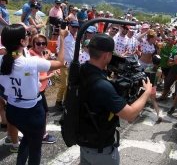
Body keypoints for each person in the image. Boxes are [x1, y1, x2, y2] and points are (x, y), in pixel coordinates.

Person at [79, 33, 152, 165]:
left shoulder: (81, 70)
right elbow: (130, 115)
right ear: (107, 55)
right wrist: (147, 92)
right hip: (101, 150)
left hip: (84, 141)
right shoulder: (102, 86)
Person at [0, 24, 67, 165]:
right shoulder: (32, 62)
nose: (29, 37)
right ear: (22, 42)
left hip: (12, 109)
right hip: (32, 112)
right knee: (35, 149)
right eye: (27, 36)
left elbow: (13, 54)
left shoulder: (3, 61)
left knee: (27, 138)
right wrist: (61, 37)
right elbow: (61, 62)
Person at [29, 34, 57, 144]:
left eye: (43, 43)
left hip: (41, 89)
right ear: (33, 43)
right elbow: (34, 77)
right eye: (38, 43)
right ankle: (41, 135)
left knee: (42, 113)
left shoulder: (40, 54)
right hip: (37, 90)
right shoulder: (32, 55)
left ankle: (39, 134)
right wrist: (48, 76)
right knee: (43, 113)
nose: (41, 46)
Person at [55, 20, 78, 111]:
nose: (75, 29)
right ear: (69, 26)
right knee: (64, 84)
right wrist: (62, 60)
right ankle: (58, 101)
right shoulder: (64, 36)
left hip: (72, 64)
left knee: (69, 85)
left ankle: (65, 101)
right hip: (64, 63)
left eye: (76, 27)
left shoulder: (75, 37)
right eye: (73, 27)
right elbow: (58, 49)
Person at [146, 55, 162, 121]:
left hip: (147, 87)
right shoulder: (159, 71)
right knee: (154, 101)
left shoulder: (147, 69)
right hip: (154, 87)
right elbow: (158, 81)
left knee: (143, 100)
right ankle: (158, 114)